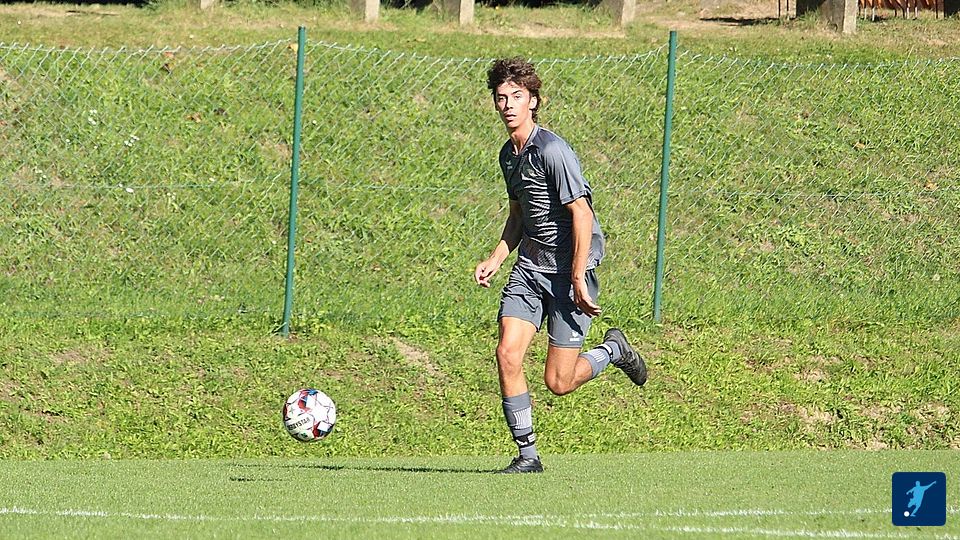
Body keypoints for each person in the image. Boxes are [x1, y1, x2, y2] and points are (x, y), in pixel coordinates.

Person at [475, 58, 648, 474]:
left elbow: (582, 214)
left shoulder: (553, 150)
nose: (508, 105)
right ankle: (527, 456)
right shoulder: (508, 155)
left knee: (559, 382)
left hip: (569, 273)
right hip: (529, 271)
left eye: (517, 96)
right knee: (507, 353)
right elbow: (518, 215)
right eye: (501, 97)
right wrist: (497, 257)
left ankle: (613, 350)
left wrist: (577, 275)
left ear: (533, 101)